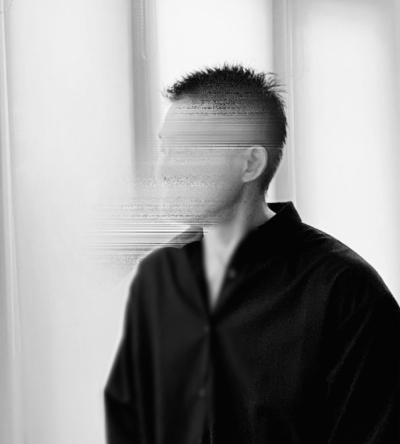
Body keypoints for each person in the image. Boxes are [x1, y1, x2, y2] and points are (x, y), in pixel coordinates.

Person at [104, 64, 400, 444]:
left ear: (251, 164)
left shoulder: (346, 293)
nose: (165, 170)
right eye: (165, 149)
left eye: (186, 150)